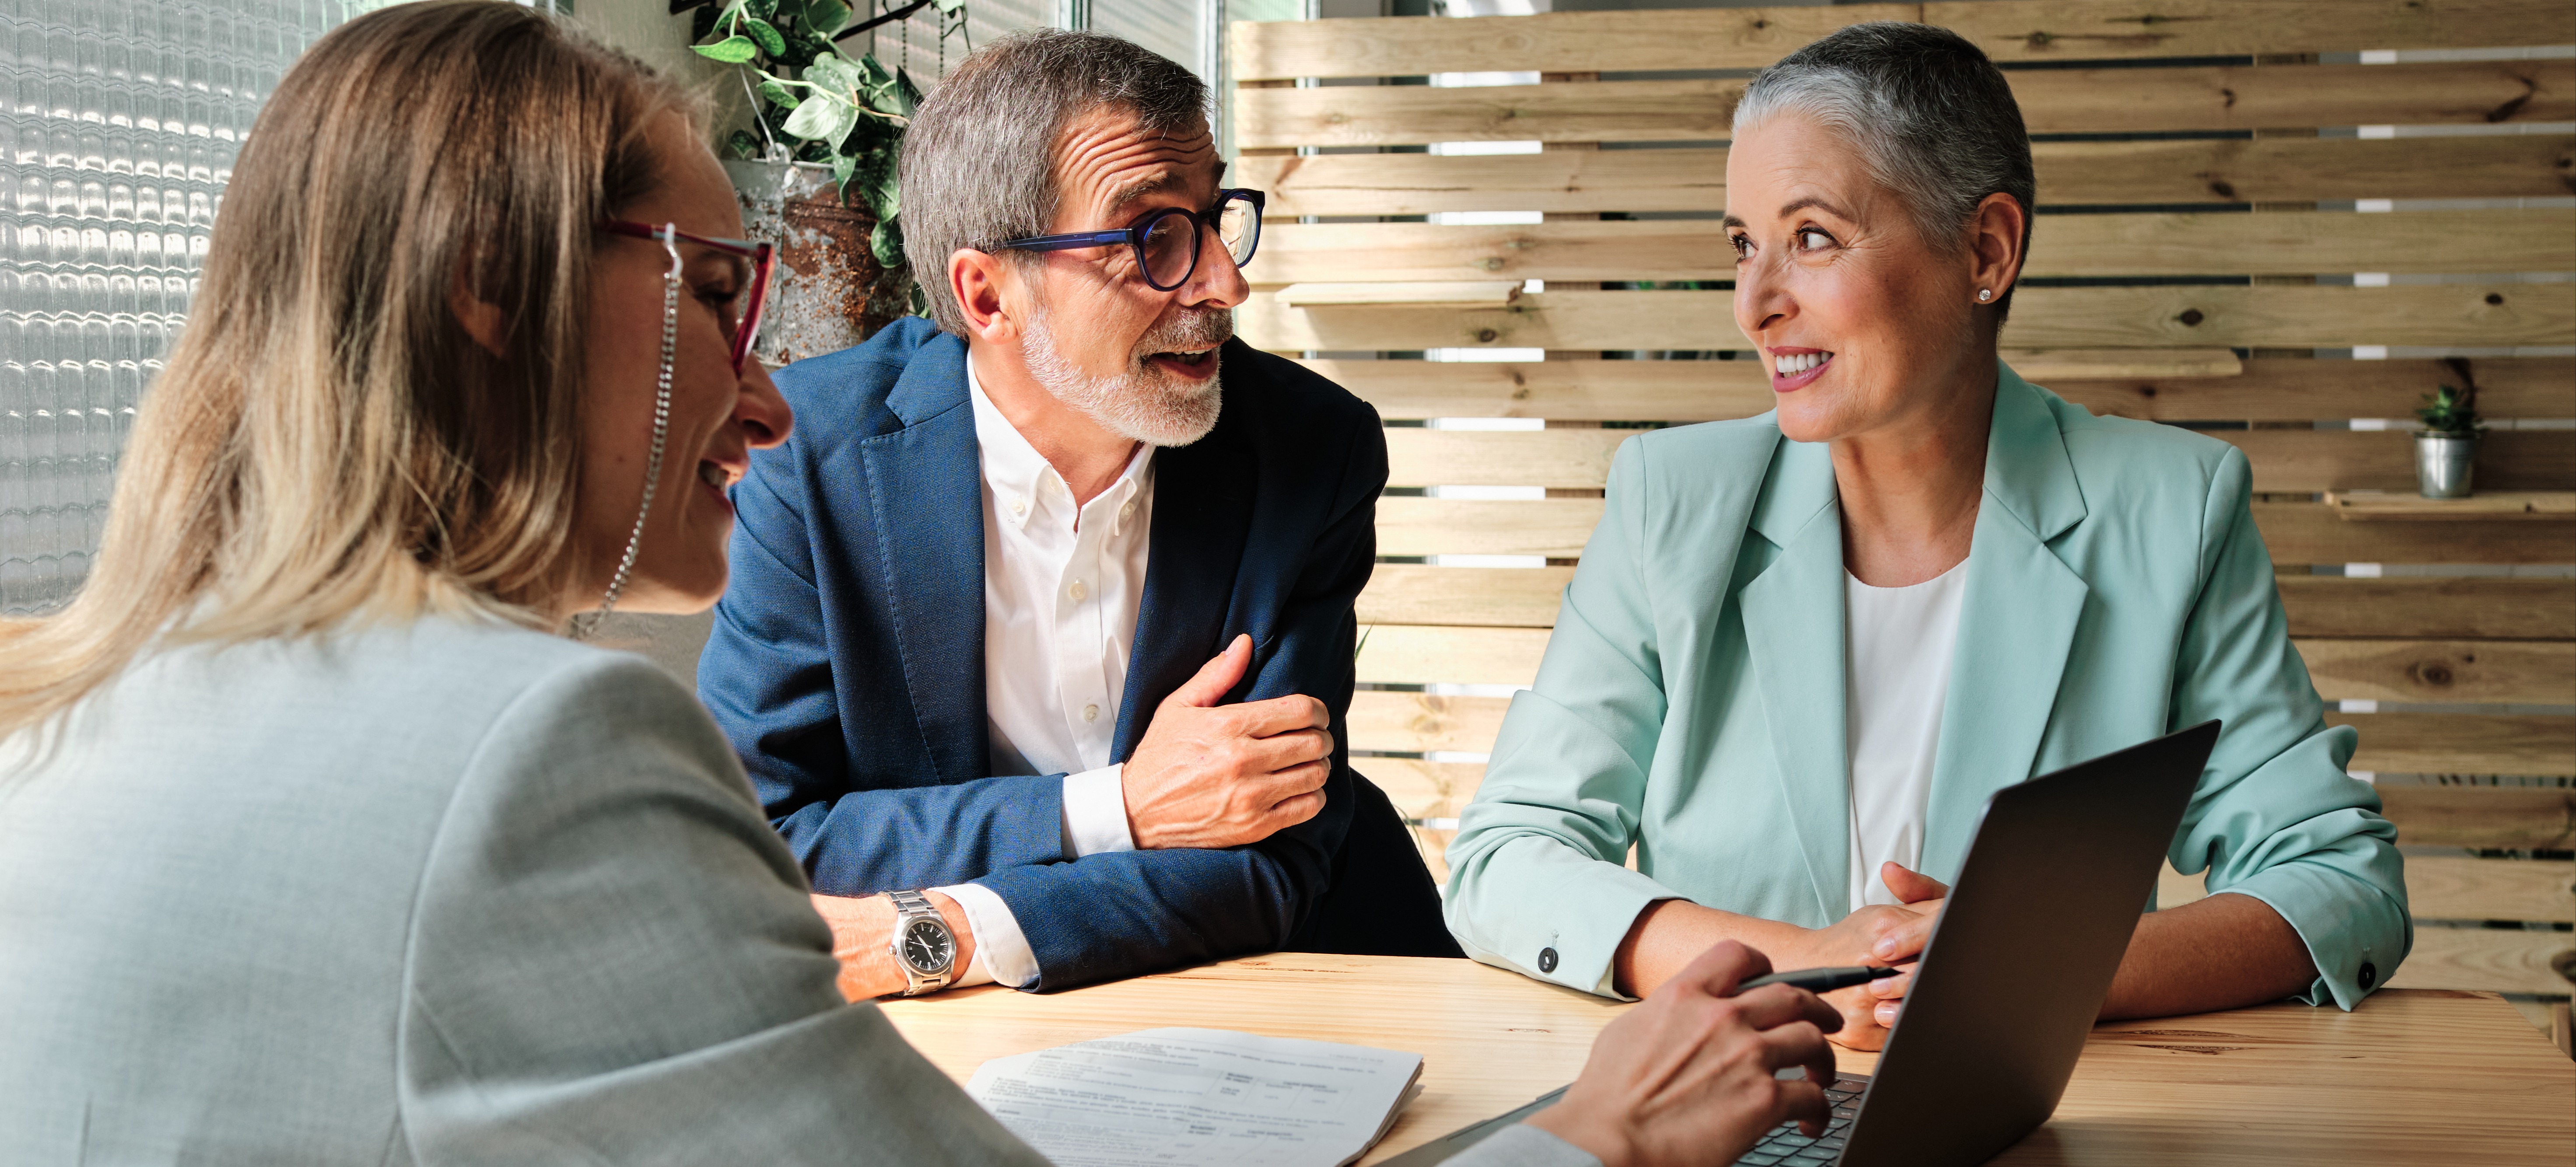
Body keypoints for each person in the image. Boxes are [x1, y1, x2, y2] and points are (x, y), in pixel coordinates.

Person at [0, 6, 1840, 1164]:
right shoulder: (539, 745)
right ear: (501, 290)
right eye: (719, 287)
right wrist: (1586, 1141)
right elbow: (787, 840)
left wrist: (920, 921)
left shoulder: (87, 719)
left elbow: (1270, 851)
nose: (756, 379)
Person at [1442, 21, 2409, 1048]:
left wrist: (2027, 964)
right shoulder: (1666, 504)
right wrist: (1799, 968)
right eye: (1742, 244)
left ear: (1986, 249)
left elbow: (2339, 881)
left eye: (1811, 236)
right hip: (1735, 1116)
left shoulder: (2174, 509)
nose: (1754, 303)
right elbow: (1507, 857)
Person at [695, 28, 1454, 1001]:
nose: (1225, 283)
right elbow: (765, 836)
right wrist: (1117, 806)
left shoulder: (1311, 450)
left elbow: (1274, 852)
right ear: (986, 294)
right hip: (956, 1040)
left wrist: (953, 930)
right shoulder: (805, 455)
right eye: (1154, 239)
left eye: (1215, 218)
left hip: (1290, 985)